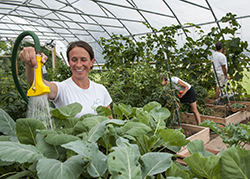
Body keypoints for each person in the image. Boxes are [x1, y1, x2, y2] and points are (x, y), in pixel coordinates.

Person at [19, 41, 113, 118]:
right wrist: (31, 64)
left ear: (91, 62)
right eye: (74, 59)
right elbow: (36, 83)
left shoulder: (101, 90)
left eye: (83, 59)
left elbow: (110, 121)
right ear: (68, 62)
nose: (79, 64)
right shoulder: (62, 89)